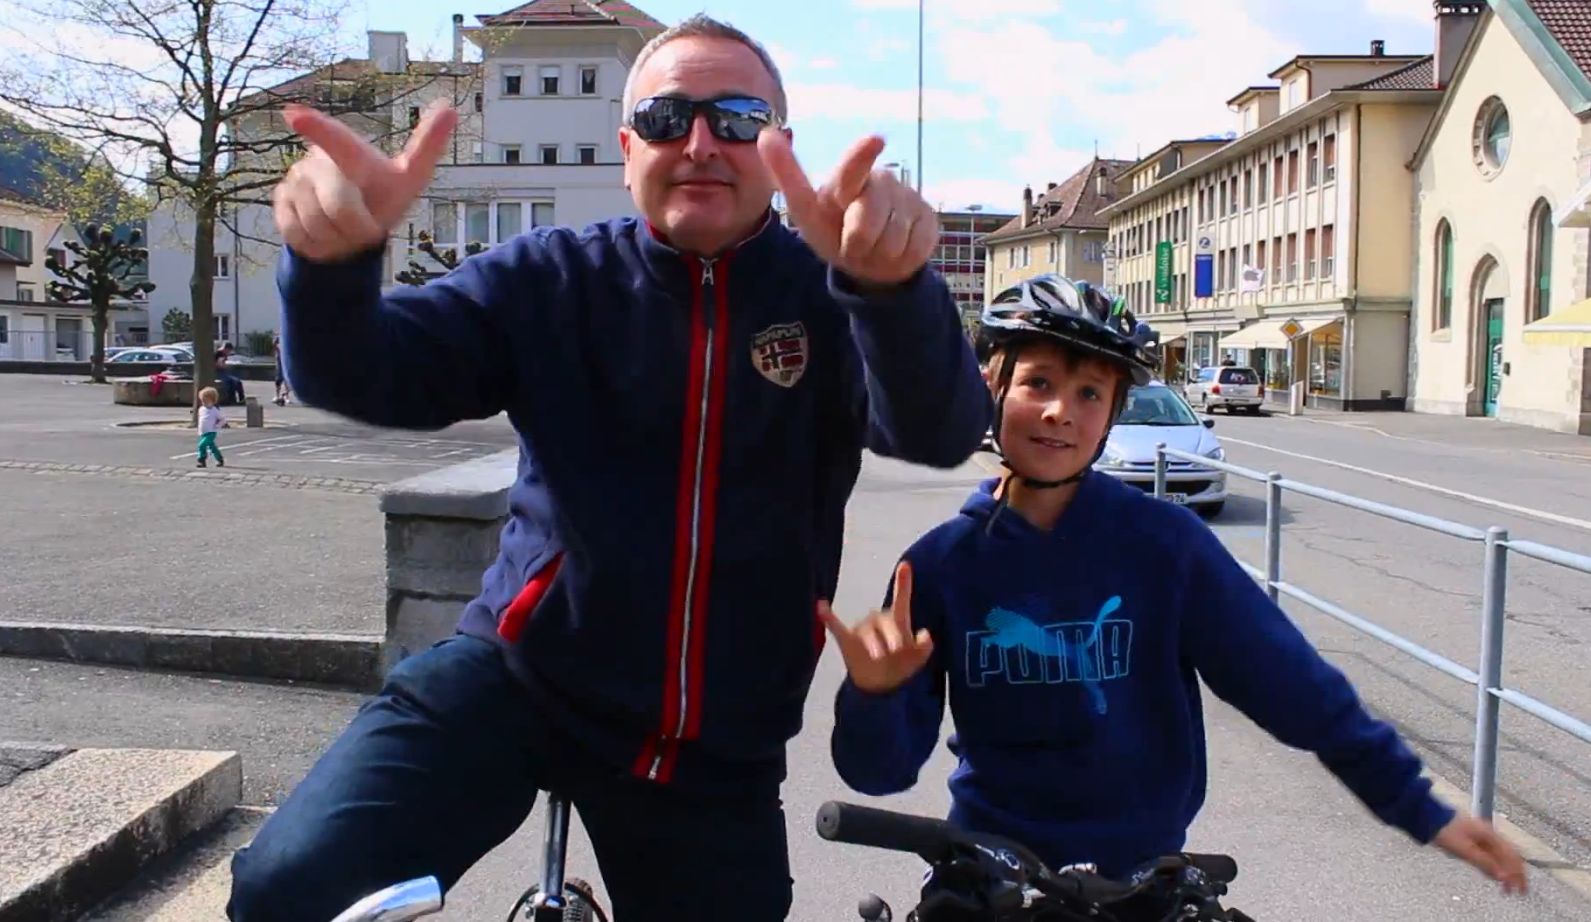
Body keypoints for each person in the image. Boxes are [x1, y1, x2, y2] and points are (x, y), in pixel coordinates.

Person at [227, 13, 990, 922]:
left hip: (718, 734)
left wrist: (893, 293)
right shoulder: (550, 278)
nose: (701, 142)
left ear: (778, 145)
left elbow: (938, 432)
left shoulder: (828, 297)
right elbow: (365, 372)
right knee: (287, 888)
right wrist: (331, 264)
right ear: (627, 148)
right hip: (521, 679)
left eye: (738, 118)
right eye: (668, 119)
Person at [823, 273, 1529, 909]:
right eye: (1037, 383)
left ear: (1111, 414)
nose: (1059, 412)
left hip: (1140, 878)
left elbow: (1298, 692)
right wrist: (875, 696)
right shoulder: (942, 566)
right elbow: (878, 775)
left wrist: (1418, 808)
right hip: (991, 872)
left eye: (1089, 393)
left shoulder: (1163, 546)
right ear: (992, 387)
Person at [195, 386, 226, 468]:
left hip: (211, 432)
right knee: (212, 447)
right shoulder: (201, 409)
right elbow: (201, 419)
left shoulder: (214, 410)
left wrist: (217, 426)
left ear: (212, 401)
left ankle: (201, 460)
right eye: (202, 401)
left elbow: (222, 419)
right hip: (203, 432)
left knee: (202, 445)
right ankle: (219, 458)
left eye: (206, 401)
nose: (204, 403)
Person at [271, 335, 290, 406]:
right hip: (279, 364)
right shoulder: (279, 339)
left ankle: (287, 397)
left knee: (286, 380)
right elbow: (274, 344)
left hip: (285, 363)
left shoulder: (286, 341)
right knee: (278, 379)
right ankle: (277, 395)